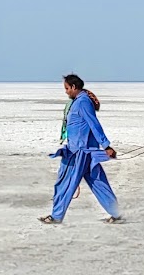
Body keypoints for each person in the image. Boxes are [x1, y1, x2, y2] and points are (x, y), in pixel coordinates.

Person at [41, 74, 120, 224]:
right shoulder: (77, 102)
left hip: (79, 153)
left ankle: (56, 216)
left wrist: (106, 145)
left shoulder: (83, 102)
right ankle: (117, 214)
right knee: (98, 183)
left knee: (65, 183)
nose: (65, 92)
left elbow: (93, 123)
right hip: (81, 151)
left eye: (66, 88)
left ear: (73, 87)